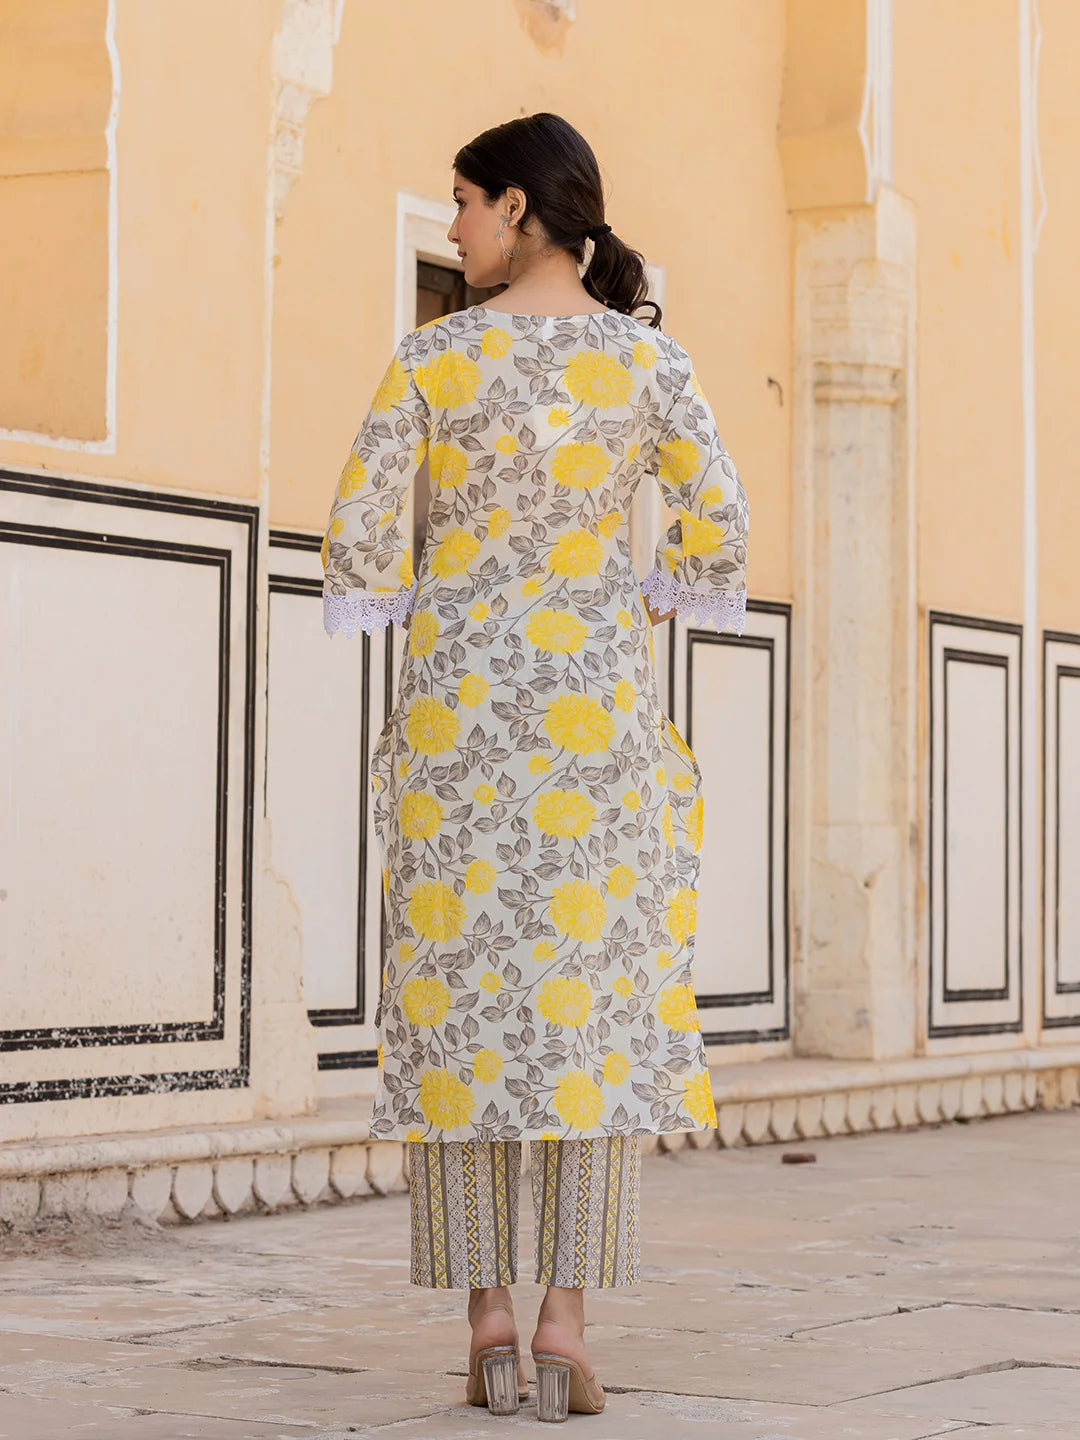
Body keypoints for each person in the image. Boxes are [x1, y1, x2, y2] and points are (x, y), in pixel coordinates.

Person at [321, 112, 748, 1423]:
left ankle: (488, 1320)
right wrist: (632, 596)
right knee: (587, 1015)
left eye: (462, 202)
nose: (452, 228)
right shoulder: (647, 362)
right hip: (592, 727)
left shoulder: (436, 357)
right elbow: (720, 525)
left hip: (459, 727)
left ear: (517, 205)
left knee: (459, 1009)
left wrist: (441, 593)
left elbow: (358, 535)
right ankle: (564, 1326)